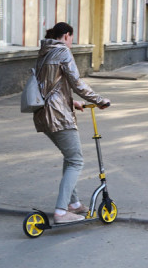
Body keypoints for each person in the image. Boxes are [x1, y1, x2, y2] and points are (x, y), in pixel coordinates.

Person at [33, 22, 110, 224]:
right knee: (76, 160)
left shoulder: (44, 53)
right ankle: (60, 211)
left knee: (70, 157)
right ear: (66, 35)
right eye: (71, 38)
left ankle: (74, 204)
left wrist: (72, 101)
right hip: (58, 115)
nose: (72, 42)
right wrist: (100, 100)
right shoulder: (62, 52)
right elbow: (77, 83)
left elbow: (50, 85)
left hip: (43, 113)